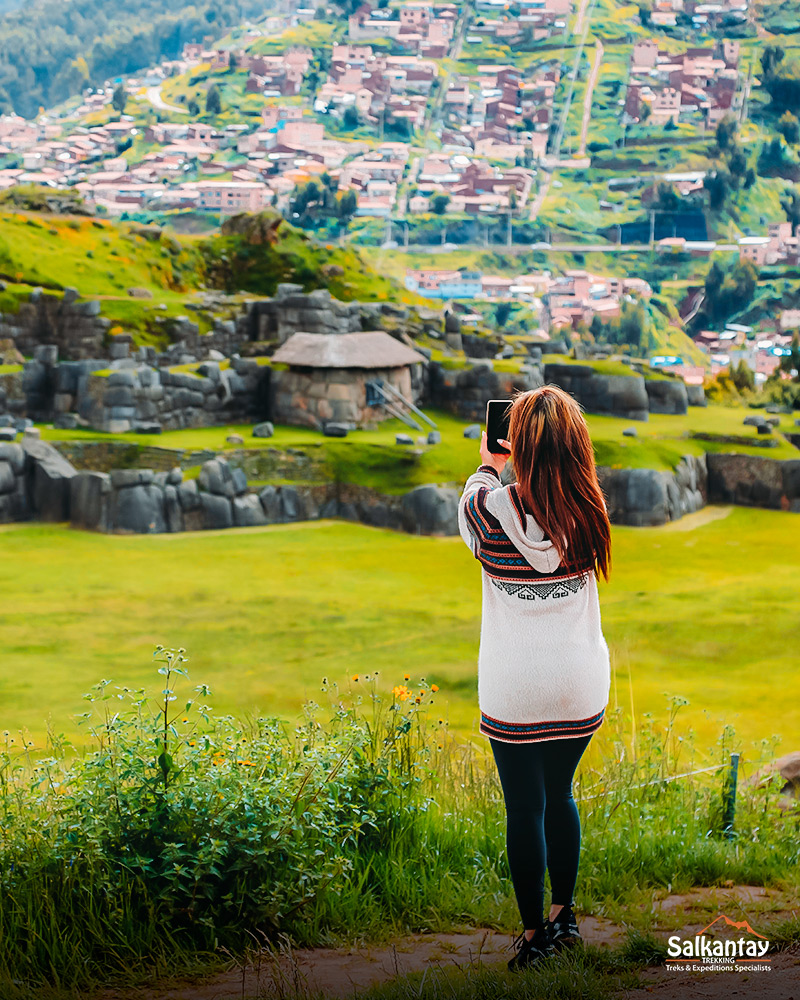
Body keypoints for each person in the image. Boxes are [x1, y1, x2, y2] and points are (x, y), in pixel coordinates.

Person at [457, 385, 612, 972]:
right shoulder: (590, 510)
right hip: (578, 681)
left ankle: (531, 936)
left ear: (518, 444)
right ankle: (564, 915)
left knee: (523, 808)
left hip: (515, 685)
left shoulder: (486, 512)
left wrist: (489, 464)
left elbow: (476, 498)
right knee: (559, 794)